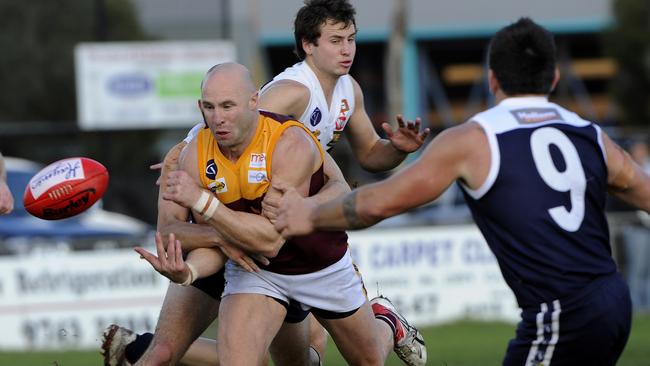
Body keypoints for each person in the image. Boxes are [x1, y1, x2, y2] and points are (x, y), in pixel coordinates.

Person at [275, 18, 650, 366]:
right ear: (552, 78)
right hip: (615, 301)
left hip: (561, 312)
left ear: (491, 79)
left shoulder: (475, 139)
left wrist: (307, 215)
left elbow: (377, 204)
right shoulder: (591, 134)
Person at [102, 0, 428, 364]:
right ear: (308, 45)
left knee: (344, 357)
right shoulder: (293, 91)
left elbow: (369, 154)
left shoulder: (349, 90)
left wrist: (397, 151)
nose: (347, 49)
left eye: (351, 39)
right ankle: (146, 348)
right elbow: (232, 118)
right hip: (250, 230)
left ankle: (383, 321)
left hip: (299, 237)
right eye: (336, 40)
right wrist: (182, 151)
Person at [621, 139, 650, 311]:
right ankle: (636, 306)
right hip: (635, 226)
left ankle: (647, 306)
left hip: (648, 227)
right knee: (636, 269)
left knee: (648, 270)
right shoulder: (626, 170)